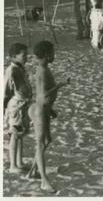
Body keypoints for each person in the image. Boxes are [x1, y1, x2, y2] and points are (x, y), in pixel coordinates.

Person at [27, 41, 70, 193]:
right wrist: (59, 85)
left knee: (46, 141)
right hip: (39, 110)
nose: (54, 56)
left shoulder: (44, 68)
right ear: (46, 55)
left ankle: (33, 171)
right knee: (40, 144)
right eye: (52, 53)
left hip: (44, 109)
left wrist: (50, 110)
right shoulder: (42, 71)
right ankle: (44, 181)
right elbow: (42, 95)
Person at [4, 43, 32, 173]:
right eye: (23, 55)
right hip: (16, 105)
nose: (26, 57)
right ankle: (12, 165)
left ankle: (19, 162)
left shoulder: (21, 68)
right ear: (14, 57)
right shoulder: (11, 70)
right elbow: (6, 90)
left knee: (21, 134)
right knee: (15, 135)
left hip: (24, 104)